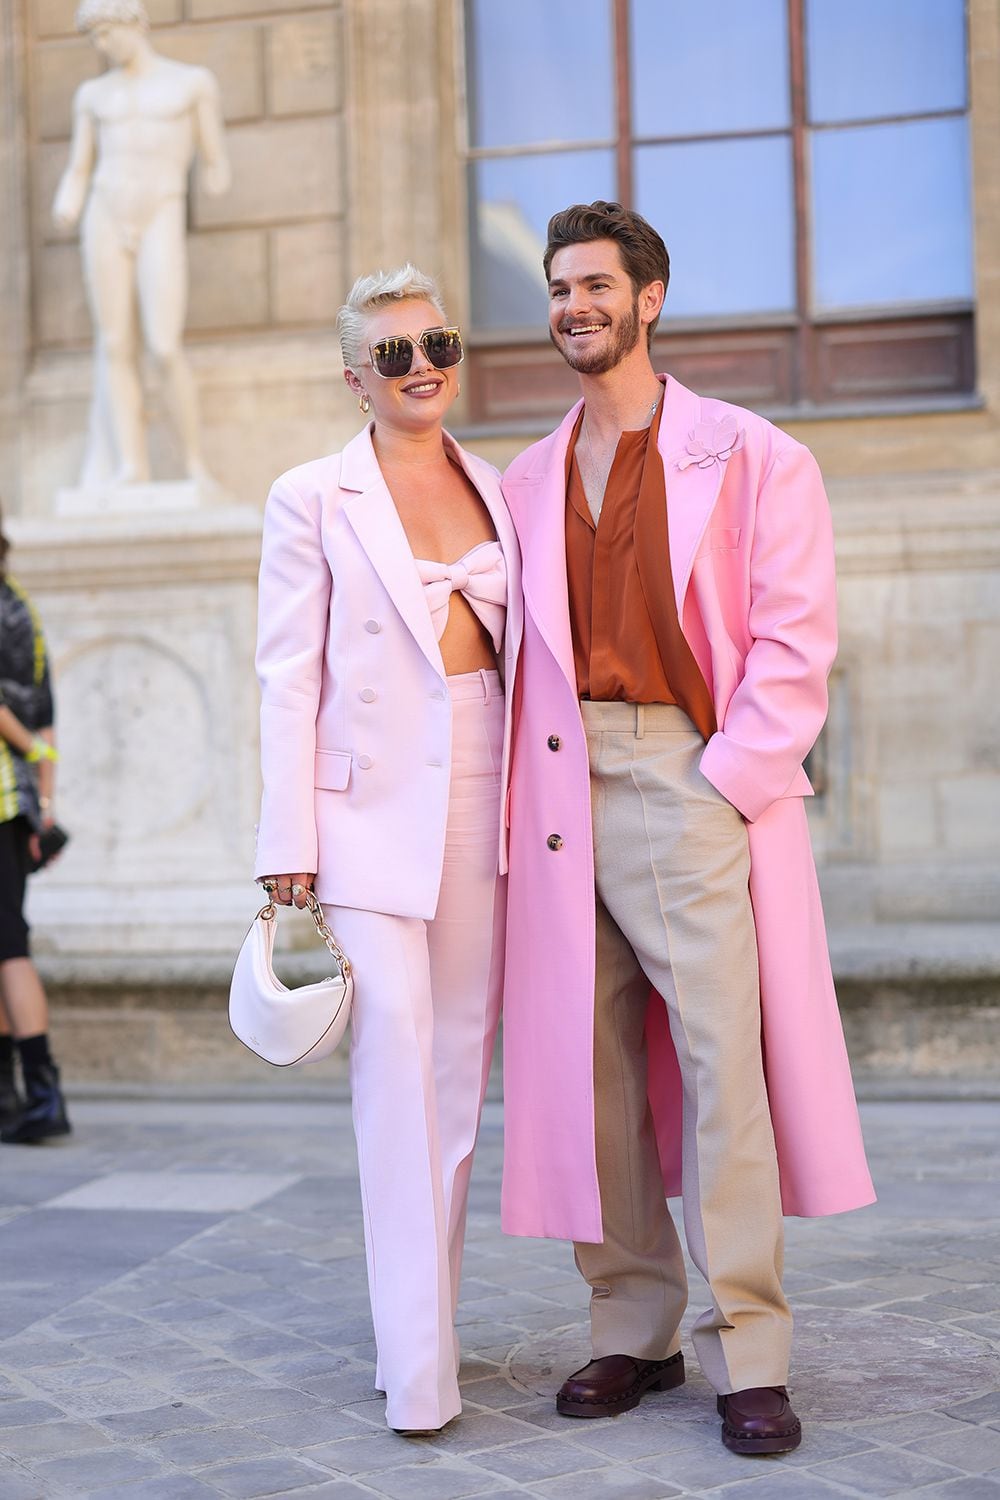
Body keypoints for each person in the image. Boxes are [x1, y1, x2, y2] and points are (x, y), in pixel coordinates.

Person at [499, 202, 875, 1455]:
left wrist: (727, 777)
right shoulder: (523, 476)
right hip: (555, 789)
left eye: (597, 285)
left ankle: (746, 1349)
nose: (574, 307)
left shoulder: (755, 455)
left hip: (684, 770)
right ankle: (629, 1327)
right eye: (559, 288)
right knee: (593, 1071)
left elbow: (793, 637)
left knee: (721, 1065)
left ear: (649, 298)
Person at [254, 265, 522, 1433]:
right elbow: (284, 676)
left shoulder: (501, 487)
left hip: (485, 786)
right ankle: (418, 1374)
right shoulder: (311, 494)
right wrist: (286, 845)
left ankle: (428, 1332)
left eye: (437, 344)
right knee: (395, 1070)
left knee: (457, 1080)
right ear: (354, 378)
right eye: (395, 355)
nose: (423, 369)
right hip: (362, 811)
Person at [52, 0, 230, 487]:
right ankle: (132, 463)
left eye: (107, 34)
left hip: (161, 210)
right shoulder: (93, 94)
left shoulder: (190, 83)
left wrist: (216, 175)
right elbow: (79, 167)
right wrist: (67, 201)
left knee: (164, 344)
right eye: (94, 39)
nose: (101, 46)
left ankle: (194, 461)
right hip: (105, 213)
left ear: (134, 25)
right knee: (113, 344)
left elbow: (214, 159)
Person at [0, 515, 70, 1145]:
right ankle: (16, 1096)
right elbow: (45, 711)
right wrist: (44, 804)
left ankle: (42, 1098)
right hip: (17, 803)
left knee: (9, 947)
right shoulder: (20, 608)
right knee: (3, 945)